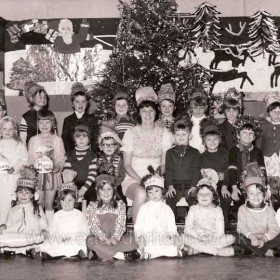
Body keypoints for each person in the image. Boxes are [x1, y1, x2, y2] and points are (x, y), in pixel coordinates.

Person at [121, 86, 172, 223]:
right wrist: (142, 181)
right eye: (144, 111)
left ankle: (158, 233)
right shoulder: (131, 133)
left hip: (156, 178)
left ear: (156, 113)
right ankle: (139, 234)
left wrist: (154, 179)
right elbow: (127, 165)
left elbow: (164, 163)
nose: (148, 115)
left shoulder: (164, 133)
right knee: (142, 193)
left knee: (156, 193)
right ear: (139, 112)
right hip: (133, 179)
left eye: (151, 111)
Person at [86, 174, 139, 261]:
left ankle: (103, 253)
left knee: (131, 238)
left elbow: (121, 224)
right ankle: (120, 256)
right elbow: (93, 225)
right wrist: (104, 239)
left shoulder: (120, 204)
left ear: (113, 190)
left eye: (109, 189)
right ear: (97, 190)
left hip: (116, 240)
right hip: (99, 239)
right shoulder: (92, 205)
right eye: (102, 189)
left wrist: (115, 238)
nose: (106, 193)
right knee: (90, 240)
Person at [183, 169, 235, 256]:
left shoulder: (217, 210)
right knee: (183, 238)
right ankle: (217, 251)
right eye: (200, 194)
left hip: (213, 239)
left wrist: (211, 238)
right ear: (196, 196)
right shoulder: (193, 209)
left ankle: (197, 250)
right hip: (197, 238)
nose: (204, 196)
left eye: (207, 194)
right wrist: (199, 236)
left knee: (231, 238)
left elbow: (220, 231)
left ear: (214, 197)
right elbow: (187, 229)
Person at [134, 167, 182, 259]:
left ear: (162, 191)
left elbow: (171, 227)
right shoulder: (144, 208)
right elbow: (138, 227)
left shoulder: (167, 208)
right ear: (147, 193)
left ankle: (150, 255)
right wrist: (140, 237)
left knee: (173, 248)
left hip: (163, 238)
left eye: (156, 191)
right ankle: (148, 252)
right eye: (150, 192)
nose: (154, 194)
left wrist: (174, 235)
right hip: (148, 238)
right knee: (147, 246)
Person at [0, 166, 48, 257]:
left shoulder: (37, 208)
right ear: (16, 194)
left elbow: (43, 222)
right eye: (20, 192)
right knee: (4, 236)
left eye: (27, 192)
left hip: (31, 235)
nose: (23, 195)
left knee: (37, 238)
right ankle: (22, 250)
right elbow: (8, 224)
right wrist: (4, 226)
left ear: (32, 195)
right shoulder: (13, 210)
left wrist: (44, 229)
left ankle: (17, 249)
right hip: (17, 235)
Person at [28, 109, 65, 224]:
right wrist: (31, 168)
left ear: (53, 123)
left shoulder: (58, 140)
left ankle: (51, 228)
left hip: (52, 176)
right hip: (38, 176)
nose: (44, 125)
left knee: (49, 203)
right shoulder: (33, 140)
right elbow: (30, 158)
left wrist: (58, 167)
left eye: (47, 122)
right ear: (37, 124)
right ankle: (40, 226)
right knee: (39, 203)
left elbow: (61, 158)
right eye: (41, 122)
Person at [227, 116, 266, 221]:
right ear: (238, 135)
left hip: (254, 184)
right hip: (237, 184)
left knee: (257, 201)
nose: (247, 135)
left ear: (254, 137)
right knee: (240, 206)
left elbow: (262, 170)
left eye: (251, 133)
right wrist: (234, 188)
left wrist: (265, 187)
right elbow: (232, 171)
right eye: (244, 132)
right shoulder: (234, 151)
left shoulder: (257, 152)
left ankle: (256, 223)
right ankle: (242, 226)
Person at [237, 163, 280, 257]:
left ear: (264, 194)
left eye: (259, 193)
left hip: (266, 238)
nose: (256, 196)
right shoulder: (242, 209)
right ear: (246, 197)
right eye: (251, 194)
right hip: (250, 237)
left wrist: (264, 238)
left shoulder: (268, 209)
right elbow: (241, 227)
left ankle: (253, 251)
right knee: (238, 238)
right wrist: (252, 237)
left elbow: (275, 228)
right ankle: (269, 252)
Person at [40, 181, 89, 260]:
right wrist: (58, 237)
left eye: (70, 200)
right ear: (59, 201)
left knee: (79, 244)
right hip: (60, 239)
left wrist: (72, 237)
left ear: (75, 200)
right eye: (63, 200)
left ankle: (75, 253)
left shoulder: (79, 215)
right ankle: (52, 254)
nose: (66, 203)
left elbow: (85, 231)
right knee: (48, 243)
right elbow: (52, 231)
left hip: (74, 239)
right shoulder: (56, 215)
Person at [165, 118, 201, 222]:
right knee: (170, 199)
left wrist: (194, 186)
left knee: (195, 200)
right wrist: (170, 186)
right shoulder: (170, 153)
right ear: (174, 136)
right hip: (175, 185)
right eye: (178, 134)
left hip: (189, 185)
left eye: (184, 134)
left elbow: (196, 170)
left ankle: (194, 224)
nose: (180, 137)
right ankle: (170, 225)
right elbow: (169, 171)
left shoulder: (195, 152)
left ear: (190, 136)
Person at [201, 124, 230, 229]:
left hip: (223, 184)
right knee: (208, 197)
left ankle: (224, 225)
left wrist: (224, 186)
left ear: (220, 140)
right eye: (209, 139)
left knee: (225, 198)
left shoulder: (225, 154)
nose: (212, 142)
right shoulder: (201, 157)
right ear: (204, 141)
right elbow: (201, 173)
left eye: (215, 139)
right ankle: (208, 225)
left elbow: (227, 171)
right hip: (208, 184)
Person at [0, 116, 28, 225]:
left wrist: (14, 169)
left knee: (11, 201)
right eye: (4, 129)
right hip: (1, 179)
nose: (7, 131)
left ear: (15, 131)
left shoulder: (19, 145)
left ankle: (11, 224)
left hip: (13, 179)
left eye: (10, 129)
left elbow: (24, 160)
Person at [63, 125, 97, 205]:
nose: (81, 139)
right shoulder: (70, 154)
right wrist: (70, 182)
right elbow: (66, 171)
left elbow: (92, 175)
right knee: (68, 197)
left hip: (88, 183)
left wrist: (84, 188)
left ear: (89, 139)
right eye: (78, 137)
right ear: (74, 139)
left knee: (91, 199)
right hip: (72, 183)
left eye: (84, 136)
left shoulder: (92, 156)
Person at [256, 92, 280, 204]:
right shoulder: (263, 126)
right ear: (268, 112)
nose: (277, 114)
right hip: (268, 159)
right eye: (274, 111)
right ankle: (272, 206)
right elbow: (259, 145)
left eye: (279, 112)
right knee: (271, 184)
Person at [62, 82, 99, 154]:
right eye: (77, 102)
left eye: (83, 101)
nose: (80, 104)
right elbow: (66, 141)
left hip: (89, 155)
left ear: (87, 103)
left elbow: (95, 140)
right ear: (72, 103)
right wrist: (71, 156)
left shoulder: (92, 119)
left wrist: (92, 155)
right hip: (73, 156)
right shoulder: (68, 120)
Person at [97, 125, 125, 201]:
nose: (109, 147)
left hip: (115, 184)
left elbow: (122, 175)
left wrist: (114, 184)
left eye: (111, 145)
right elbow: (95, 174)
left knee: (121, 199)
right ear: (101, 147)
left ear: (116, 146)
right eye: (105, 145)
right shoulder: (99, 160)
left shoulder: (119, 159)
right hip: (101, 185)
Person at [188, 89, 215, 153]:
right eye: (195, 108)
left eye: (201, 108)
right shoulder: (187, 122)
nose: (198, 111)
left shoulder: (210, 123)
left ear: (205, 108)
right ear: (191, 108)